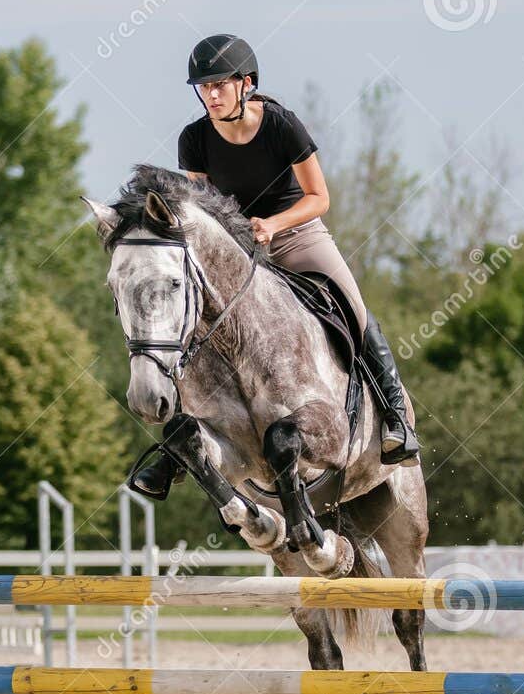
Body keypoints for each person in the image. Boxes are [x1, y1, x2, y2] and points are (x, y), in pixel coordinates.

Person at [130, 33, 420, 500]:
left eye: (220, 85)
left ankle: (395, 420)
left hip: (297, 237)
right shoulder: (195, 139)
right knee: (195, 323)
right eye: (203, 87)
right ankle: (177, 449)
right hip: (238, 252)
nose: (211, 95)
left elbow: (319, 198)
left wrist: (272, 225)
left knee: (354, 308)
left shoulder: (283, 126)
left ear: (246, 83)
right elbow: (204, 209)